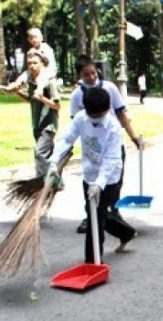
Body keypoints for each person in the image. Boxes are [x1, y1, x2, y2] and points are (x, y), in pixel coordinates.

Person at [46, 87, 137, 261]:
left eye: (99, 115)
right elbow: (66, 139)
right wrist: (53, 162)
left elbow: (112, 159)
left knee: (95, 217)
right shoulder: (81, 119)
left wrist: (99, 183)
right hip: (89, 174)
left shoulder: (113, 127)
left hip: (109, 179)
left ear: (106, 109)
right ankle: (126, 233)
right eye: (92, 115)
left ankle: (93, 262)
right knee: (95, 211)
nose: (95, 119)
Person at [69, 55, 140, 235]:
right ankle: (95, 217)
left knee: (112, 185)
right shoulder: (76, 96)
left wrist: (133, 137)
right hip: (92, 148)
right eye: (86, 75)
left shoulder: (110, 88)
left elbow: (121, 113)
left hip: (112, 143)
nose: (92, 77)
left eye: (93, 73)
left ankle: (113, 215)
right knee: (91, 186)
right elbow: (75, 126)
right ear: (79, 76)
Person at [0, 49, 60, 177]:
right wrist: (17, 92)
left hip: (48, 125)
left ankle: (41, 184)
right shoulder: (31, 81)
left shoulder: (50, 82)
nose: (32, 66)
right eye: (29, 63)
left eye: (35, 63)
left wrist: (42, 98)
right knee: (47, 156)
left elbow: (57, 106)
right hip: (36, 125)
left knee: (39, 153)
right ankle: (56, 183)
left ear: (42, 64)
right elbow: (31, 99)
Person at [7, 28, 57, 95]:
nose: (33, 40)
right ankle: (14, 86)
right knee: (25, 74)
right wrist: (29, 58)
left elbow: (47, 61)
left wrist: (38, 53)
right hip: (36, 71)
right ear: (28, 40)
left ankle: (39, 90)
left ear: (41, 38)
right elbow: (30, 64)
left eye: (35, 37)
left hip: (48, 71)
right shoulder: (31, 50)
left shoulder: (46, 47)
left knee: (42, 76)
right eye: (31, 38)